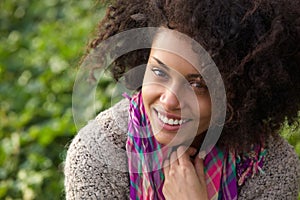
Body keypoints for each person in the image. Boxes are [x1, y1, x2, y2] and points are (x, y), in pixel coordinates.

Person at [64, 0, 300, 199]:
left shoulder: (271, 168)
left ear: (241, 89)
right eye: (159, 72)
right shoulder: (98, 155)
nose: (168, 101)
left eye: (198, 85)